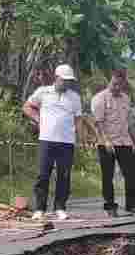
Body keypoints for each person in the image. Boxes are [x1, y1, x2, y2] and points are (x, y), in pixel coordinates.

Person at [23, 64, 87, 221]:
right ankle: (40, 208)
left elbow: (78, 120)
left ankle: (60, 207)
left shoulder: (75, 97)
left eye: (69, 81)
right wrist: (39, 119)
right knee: (43, 174)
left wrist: (82, 138)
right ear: (57, 78)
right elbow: (27, 107)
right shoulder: (43, 92)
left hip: (67, 142)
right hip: (47, 140)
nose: (67, 83)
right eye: (64, 80)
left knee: (63, 176)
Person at [91, 68, 135, 218]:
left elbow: (128, 122)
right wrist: (106, 141)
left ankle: (132, 205)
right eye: (114, 84)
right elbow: (98, 123)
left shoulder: (126, 99)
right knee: (108, 176)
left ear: (123, 83)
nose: (116, 87)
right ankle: (110, 207)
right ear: (110, 80)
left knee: (131, 174)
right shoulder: (99, 98)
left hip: (125, 142)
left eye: (120, 85)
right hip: (106, 143)